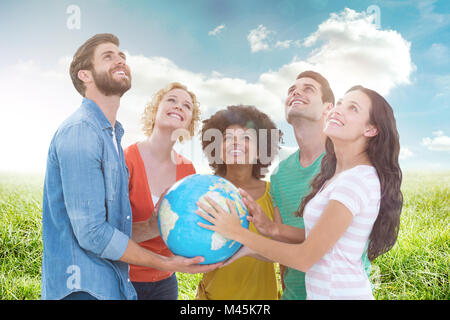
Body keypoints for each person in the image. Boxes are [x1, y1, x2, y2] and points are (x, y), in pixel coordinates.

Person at [41, 34, 219, 300]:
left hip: (112, 284)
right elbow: (93, 233)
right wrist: (166, 263)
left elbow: (113, 227)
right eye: (108, 56)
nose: (120, 59)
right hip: (83, 289)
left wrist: (152, 225)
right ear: (85, 76)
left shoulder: (111, 136)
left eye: (121, 55)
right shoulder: (82, 131)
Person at [196, 85, 403, 300]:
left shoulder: (355, 180)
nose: (339, 109)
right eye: (340, 103)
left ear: (370, 129)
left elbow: (305, 258)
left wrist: (239, 234)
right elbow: (322, 238)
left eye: (353, 108)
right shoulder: (337, 177)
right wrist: (272, 229)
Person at [195, 105, 282, 300]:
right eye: (227, 138)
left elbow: (286, 253)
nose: (236, 143)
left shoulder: (273, 193)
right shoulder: (205, 191)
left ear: (261, 152)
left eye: (246, 138)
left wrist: (244, 245)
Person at [124, 82, 200, 300]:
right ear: (154, 110)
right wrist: (151, 226)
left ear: (189, 123)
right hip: (124, 281)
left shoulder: (188, 170)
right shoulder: (126, 160)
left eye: (186, 106)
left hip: (166, 283)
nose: (179, 107)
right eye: (171, 100)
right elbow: (108, 233)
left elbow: (184, 229)